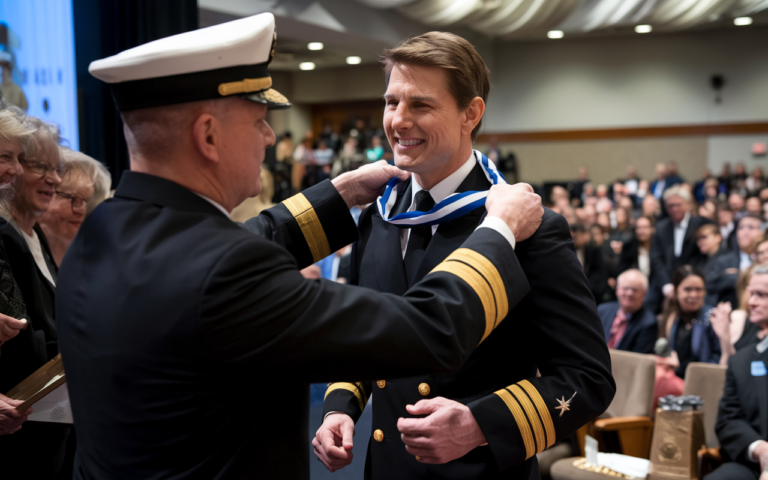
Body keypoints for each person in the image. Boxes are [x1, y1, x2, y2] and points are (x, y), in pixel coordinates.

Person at [57, 14, 545, 480]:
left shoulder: (103, 229)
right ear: (207, 135)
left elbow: (230, 250)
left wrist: (340, 194)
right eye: (258, 120)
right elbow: (432, 331)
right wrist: (499, 228)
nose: (270, 137)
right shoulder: (223, 270)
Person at [314, 32, 614, 480]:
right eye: (391, 102)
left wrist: (479, 425)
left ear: (470, 114)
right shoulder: (378, 215)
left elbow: (587, 377)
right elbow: (364, 333)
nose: (398, 121)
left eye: (421, 105)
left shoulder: (526, 226)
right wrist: (341, 407)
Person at [705, 265, 768, 480]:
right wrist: (760, 449)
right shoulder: (741, 361)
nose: (751, 302)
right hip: (756, 464)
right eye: (751, 294)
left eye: (761, 295)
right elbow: (728, 421)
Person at [655, 266, 721, 399]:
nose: (694, 295)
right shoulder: (672, 318)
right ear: (676, 292)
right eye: (688, 289)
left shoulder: (712, 317)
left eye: (698, 290)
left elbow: (718, 356)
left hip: (703, 384)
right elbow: (665, 349)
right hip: (674, 382)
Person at [38, 148, 111, 265]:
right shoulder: (16, 251)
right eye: (71, 198)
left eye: (86, 200)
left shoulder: (100, 257)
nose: (80, 210)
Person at [649, 185, 713, 312]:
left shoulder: (701, 223)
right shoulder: (661, 227)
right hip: (666, 280)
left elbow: (704, 256)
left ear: (687, 204)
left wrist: (689, 282)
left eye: (678, 204)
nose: (674, 209)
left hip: (693, 278)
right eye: (670, 206)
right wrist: (666, 285)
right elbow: (656, 258)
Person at [598, 269, 657, 354]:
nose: (629, 293)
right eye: (625, 288)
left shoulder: (648, 323)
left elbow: (638, 359)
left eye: (634, 290)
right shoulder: (602, 310)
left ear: (644, 294)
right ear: (617, 290)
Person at [697, 223, 740, 307]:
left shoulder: (729, 257)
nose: (700, 242)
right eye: (698, 239)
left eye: (704, 237)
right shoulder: (700, 260)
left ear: (718, 237)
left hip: (720, 304)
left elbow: (733, 279)